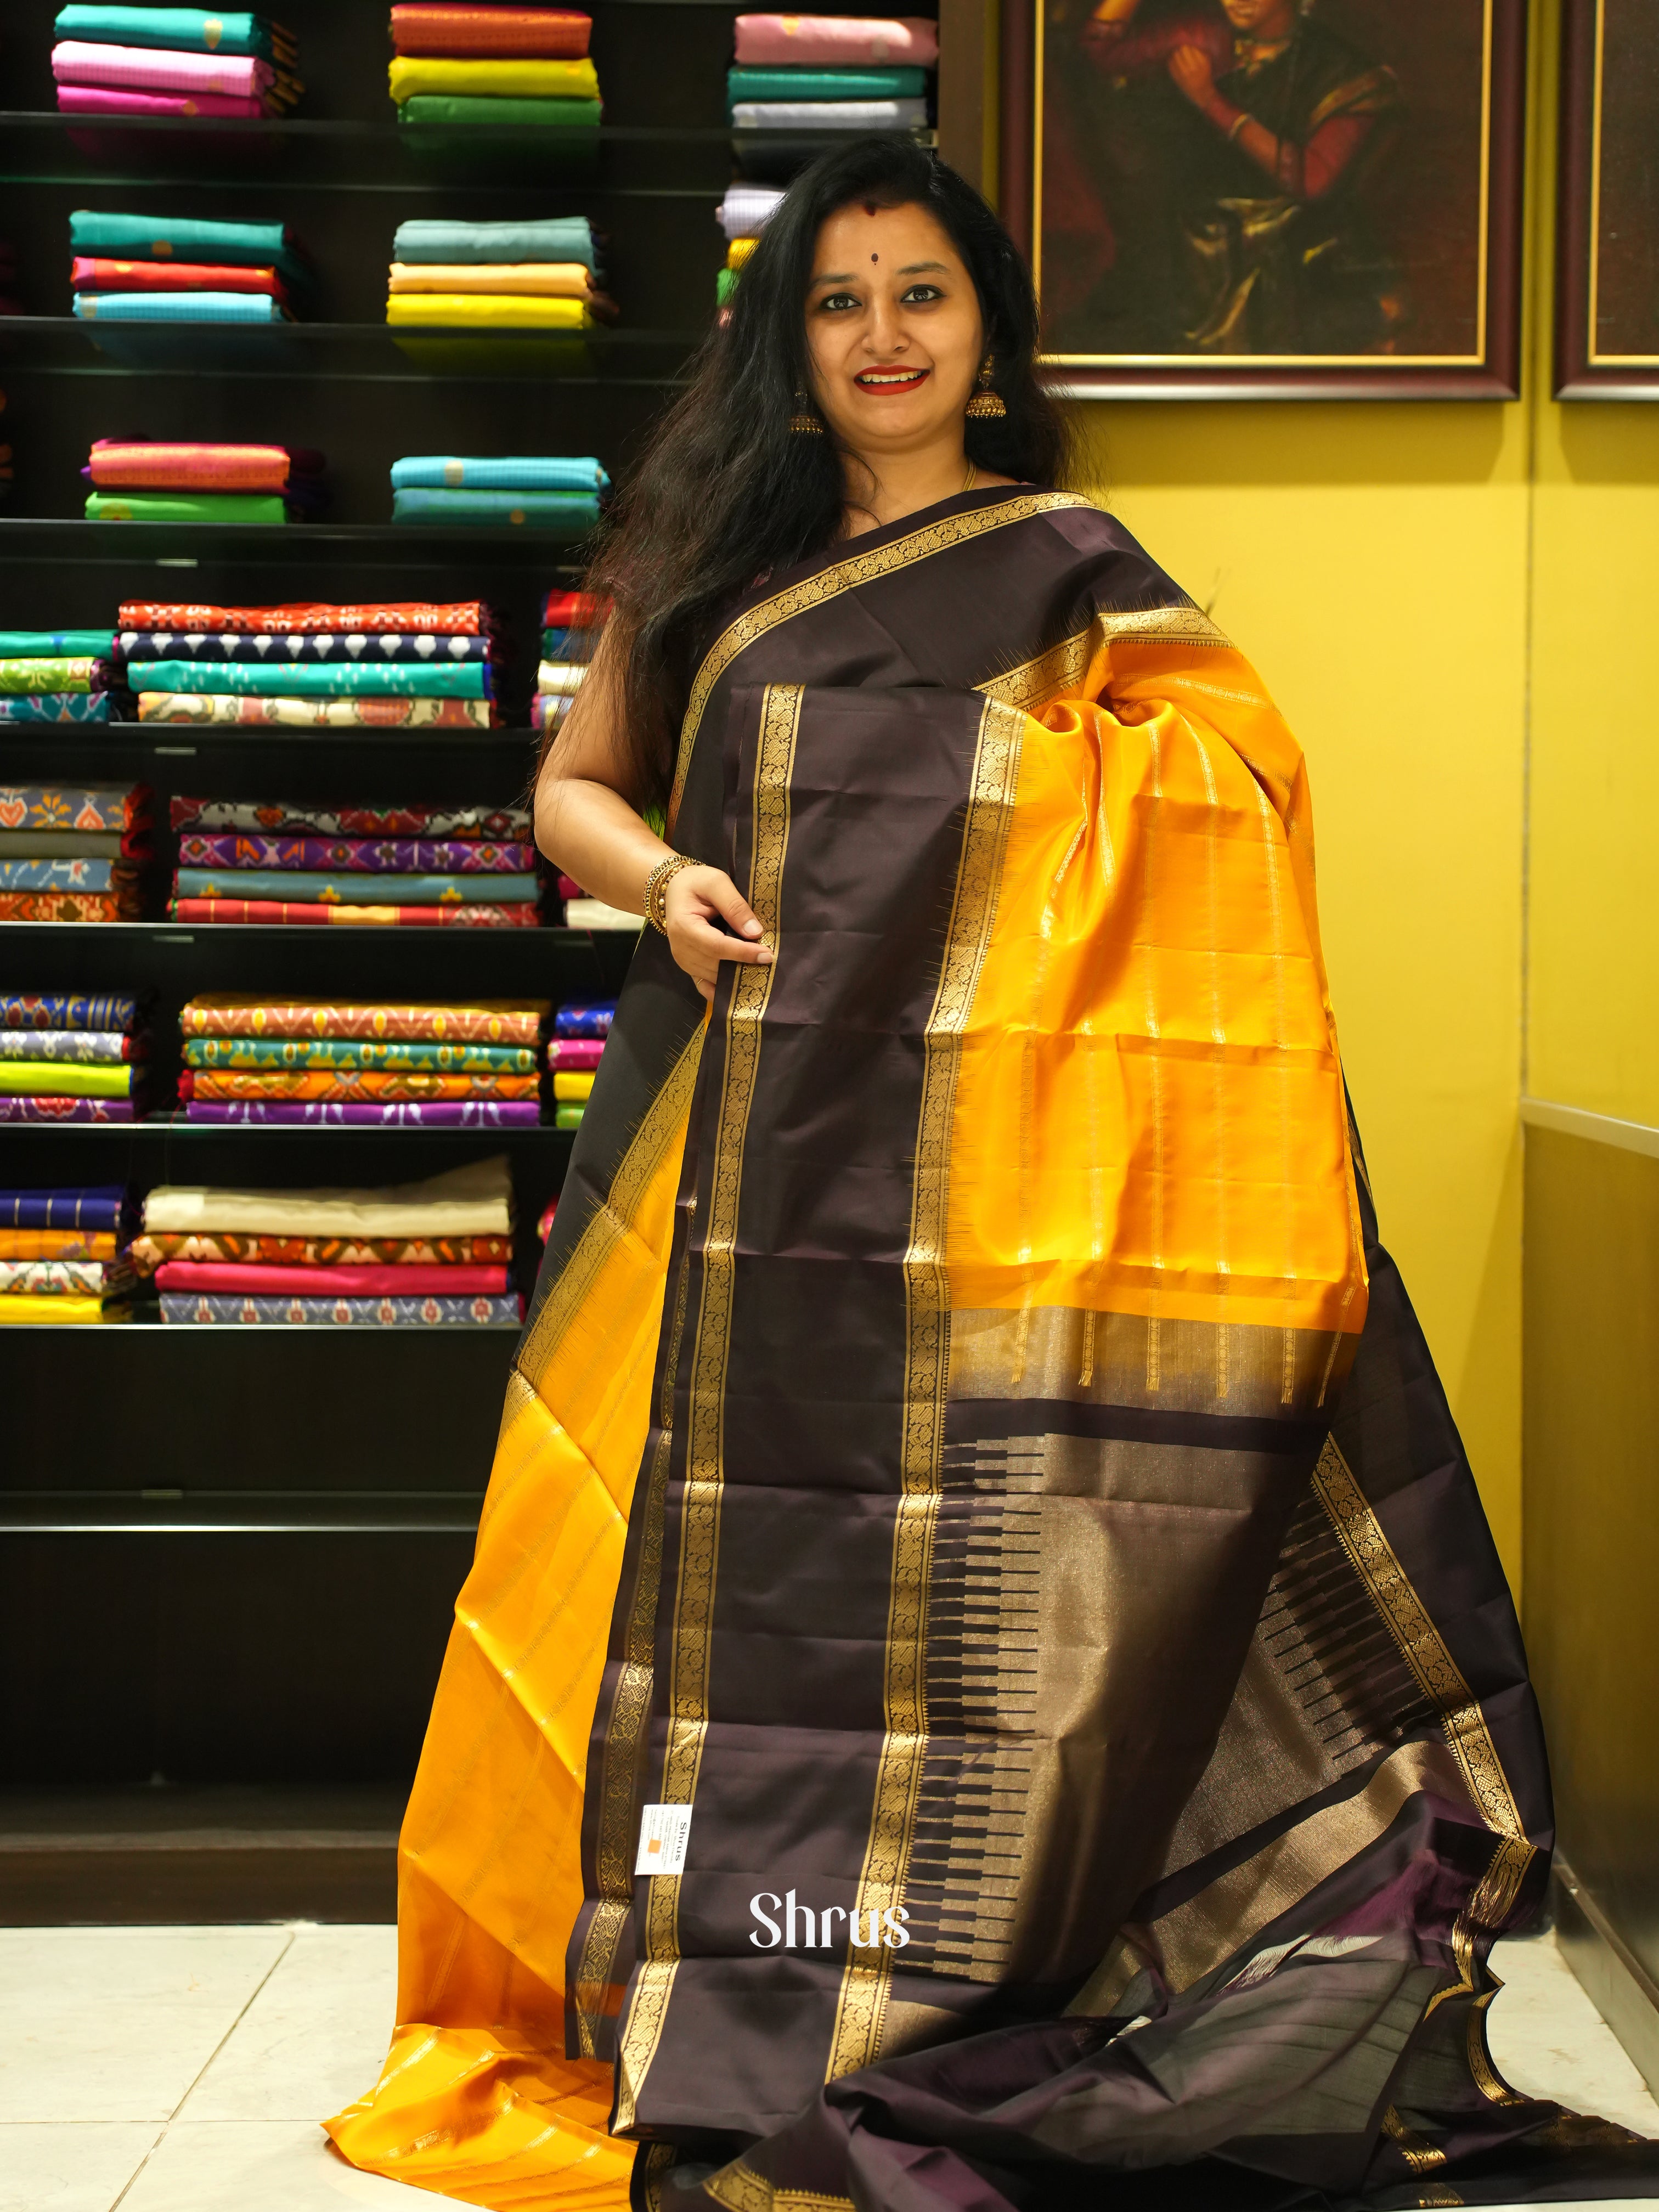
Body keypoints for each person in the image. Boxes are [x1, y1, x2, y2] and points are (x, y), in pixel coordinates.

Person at [328, 138, 1656, 2212]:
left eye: (919, 293)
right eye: (839, 298)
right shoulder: (701, 560)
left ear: (986, 335)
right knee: (663, 1569)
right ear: (789, 344)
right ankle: (694, 1973)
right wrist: (671, 867)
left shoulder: (1069, 567)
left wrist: (962, 805)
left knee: (976, 1578)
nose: (880, 334)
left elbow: (1221, 794)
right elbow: (569, 790)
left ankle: (978, 1949)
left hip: (997, 1207)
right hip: (737, 1154)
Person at [1045, 0, 1405, 356]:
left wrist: (1209, 100)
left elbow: (1311, 179)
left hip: (1293, 252)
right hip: (1193, 246)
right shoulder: (1204, 35)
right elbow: (1097, 47)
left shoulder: (1345, 73)